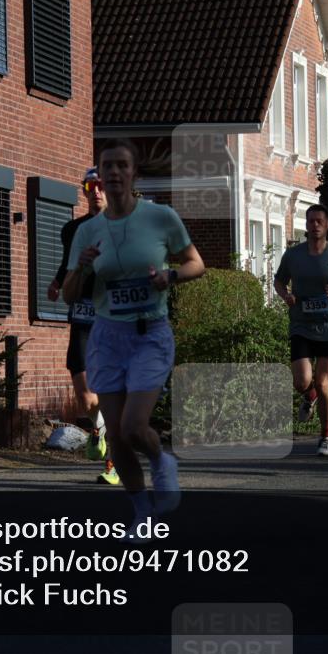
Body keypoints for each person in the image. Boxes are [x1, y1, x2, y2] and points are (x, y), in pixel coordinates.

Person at [63, 139, 205, 541]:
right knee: (117, 437)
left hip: (149, 333)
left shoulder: (161, 218)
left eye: (122, 165)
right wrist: (83, 269)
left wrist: (170, 276)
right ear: (100, 178)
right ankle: (141, 512)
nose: (114, 173)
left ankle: (162, 460)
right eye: (107, 166)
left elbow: (196, 263)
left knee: (132, 425)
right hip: (108, 336)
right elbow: (71, 295)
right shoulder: (87, 230)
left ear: (134, 174)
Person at [48, 167, 119, 485]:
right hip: (81, 316)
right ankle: (99, 429)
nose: (97, 191)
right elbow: (68, 263)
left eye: (102, 186)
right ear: (84, 190)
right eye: (91, 185)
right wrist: (57, 281)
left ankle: (112, 466)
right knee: (86, 398)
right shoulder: (72, 229)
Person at [274, 205, 328, 456]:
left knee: (323, 381)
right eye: (310, 221)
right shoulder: (293, 255)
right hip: (301, 324)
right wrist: (285, 295)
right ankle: (310, 394)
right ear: (305, 225)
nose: (314, 225)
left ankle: (326, 436)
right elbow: (279, 280)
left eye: (319, 221)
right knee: (302, 381)